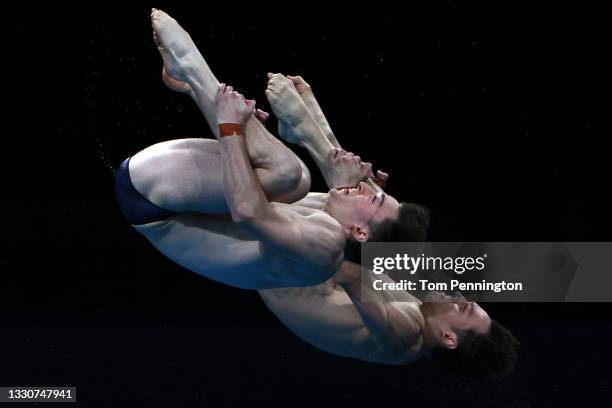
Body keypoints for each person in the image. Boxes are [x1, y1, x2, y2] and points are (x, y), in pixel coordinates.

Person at [115, 9, 518, 379]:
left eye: (464, 308)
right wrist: (365, 192)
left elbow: (350, 259)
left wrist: (234, 127)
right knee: (326, 198)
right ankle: (275, 119)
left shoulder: (402, 337)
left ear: (449, 338)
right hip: (203, 216)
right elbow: (366, 241)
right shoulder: (403, 304)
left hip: (159, 205)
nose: (459, 296)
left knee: (298, 182)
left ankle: (197, 76)